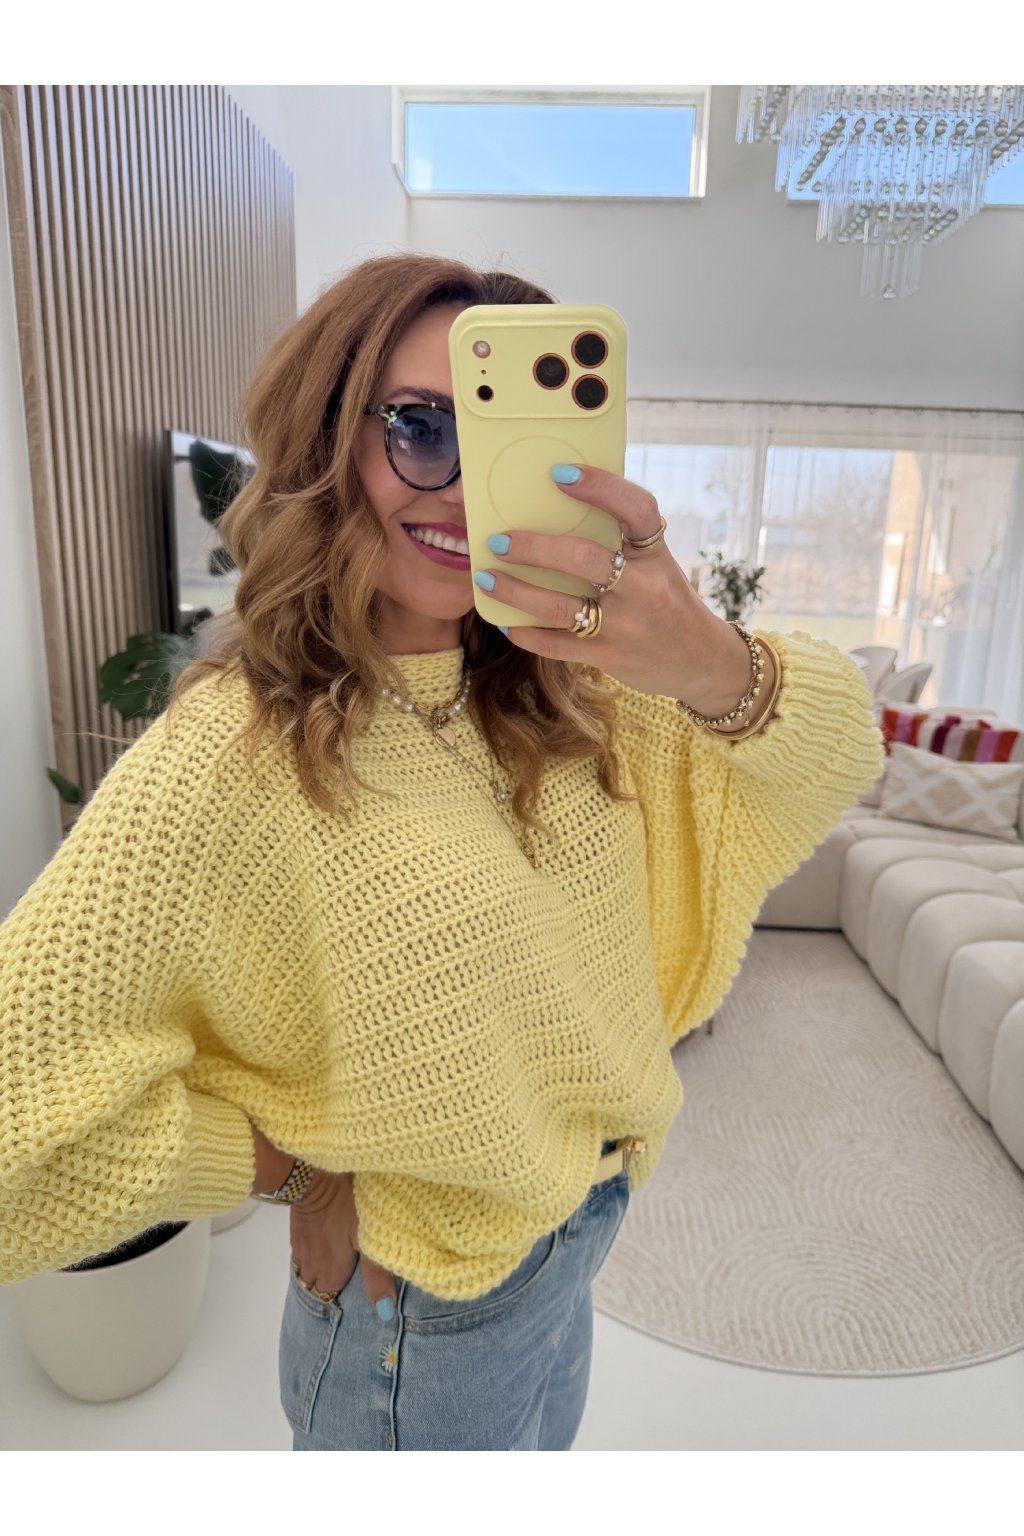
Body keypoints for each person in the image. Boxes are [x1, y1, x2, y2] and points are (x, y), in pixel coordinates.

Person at [0, 252, 884, 1450]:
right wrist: (289, 1169)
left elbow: (839, 752)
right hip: (418, 1324)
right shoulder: (238, 750)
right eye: (421, 428)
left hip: (578, 1239)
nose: (466, 493)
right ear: (327, 441)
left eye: (509, 438)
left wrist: (703, 654)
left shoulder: (583, 689)